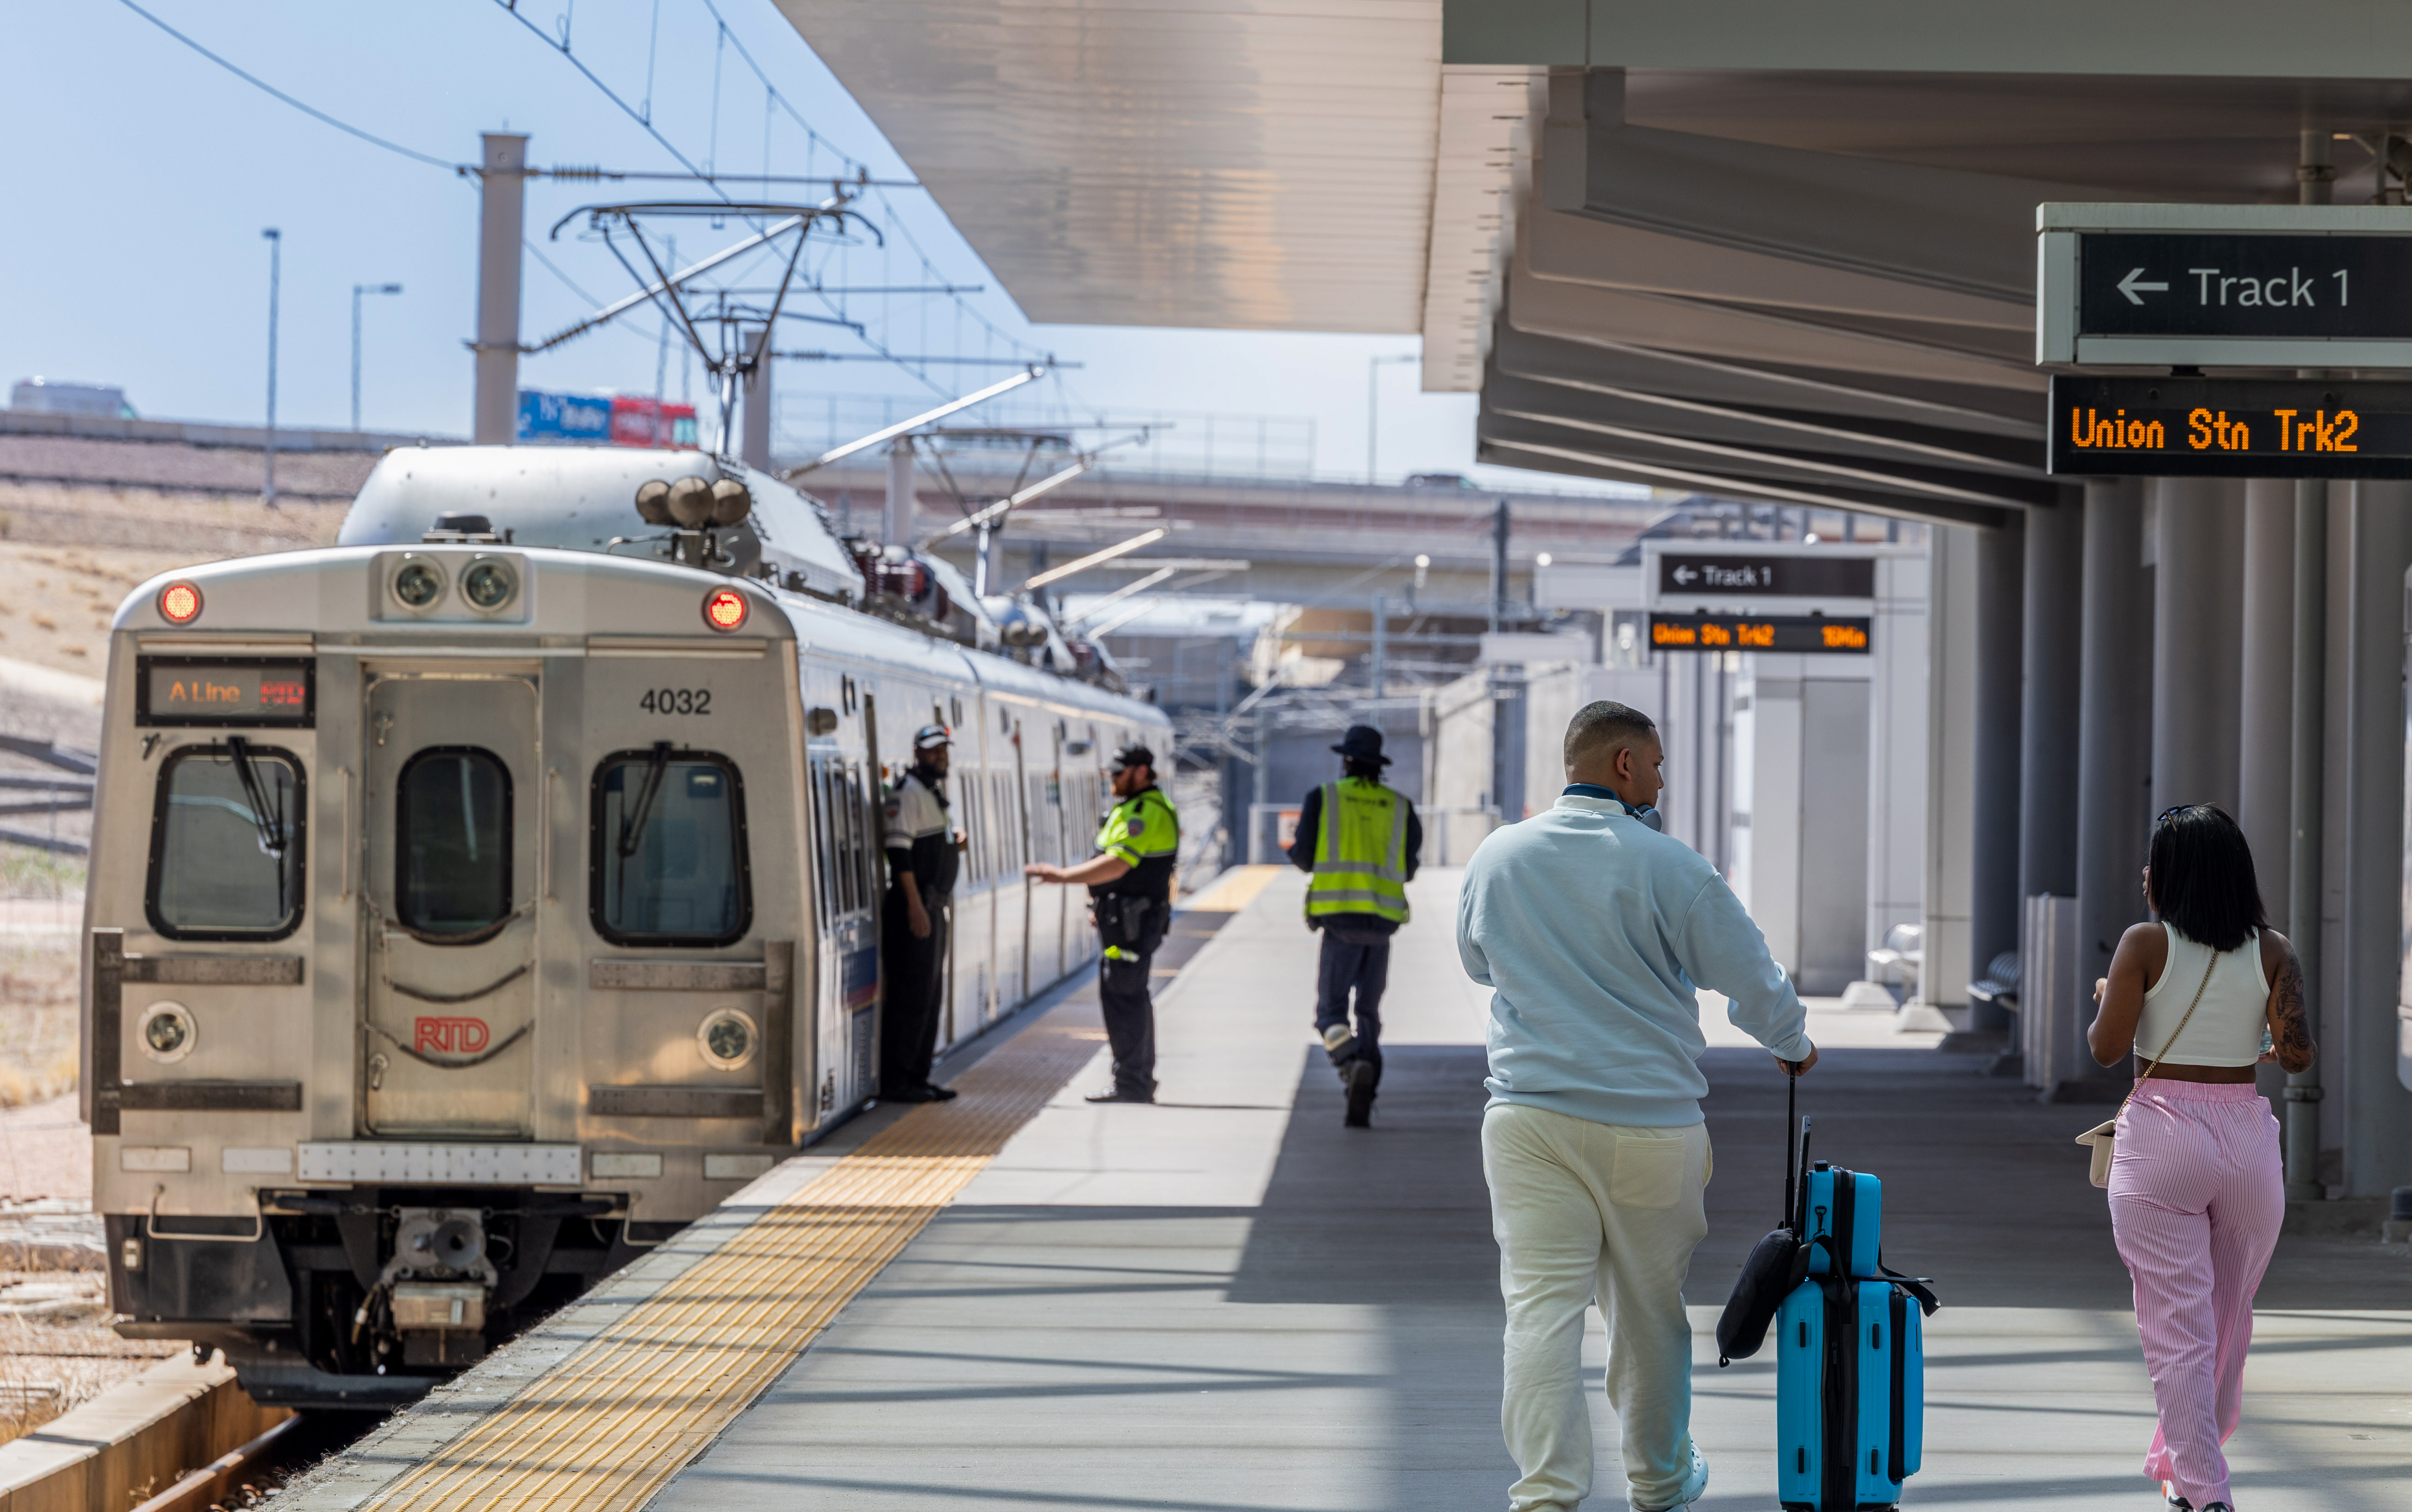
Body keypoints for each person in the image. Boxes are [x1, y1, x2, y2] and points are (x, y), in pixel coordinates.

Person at [1457, 700, 1816, 1512]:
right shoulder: (1672, 865)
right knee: (1649, 1314)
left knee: (1540, 1312)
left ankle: (1546, 1494)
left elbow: (1479, 963)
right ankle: (1658, 1482)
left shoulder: (1498, 856)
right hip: (1650, 1126)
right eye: (1656, 765)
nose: (1659, 781)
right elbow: (1750, 975)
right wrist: (1791, 1041)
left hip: (1528, 1120)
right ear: (1625, 764)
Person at [2085, 804, 2315, 1512]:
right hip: (2244, 1142)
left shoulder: (2144, 943)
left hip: (2161, 1142)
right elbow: (2299, 1056)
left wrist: (2109, 996)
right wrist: (2252, 1042)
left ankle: (2207, 1494)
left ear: (2167, 875)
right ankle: (2186, 1474)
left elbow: (2104, 1048)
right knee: (2224, 1322)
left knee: (2176, 1328)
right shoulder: (2272, 950)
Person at [1026, 744, 1180, 1104]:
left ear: (1142, 772)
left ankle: (1132, 1083)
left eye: (1119, 772)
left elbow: (1118, 865)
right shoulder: (1134, 809)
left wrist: (1061, 876)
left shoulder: (1145, 812)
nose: (1112, 778)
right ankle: (1134, 1079)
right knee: (1125, 994)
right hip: (1124, 919)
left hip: (1132, 923)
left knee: (1125, 997)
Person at [1287, 724, 1422, 1128]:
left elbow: (1304, 857)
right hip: (1382, 925)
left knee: (1330, 1013)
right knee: (1368, 1012)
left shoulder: (1324, 799)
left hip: (1339, 922)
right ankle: (1363, 1087)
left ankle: (1348, 1062)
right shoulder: (1401, 807)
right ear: (1377, 765)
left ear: (1346, 760)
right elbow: (1409, 868)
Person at [879, 724, 963, 1104]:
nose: (940, 756)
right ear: (917, 753)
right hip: (915, 908)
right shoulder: (906, 793)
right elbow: (899, 853)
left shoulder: (931, 793)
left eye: (944, 749)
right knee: (911, 995)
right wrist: (914, 905)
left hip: (933, 906)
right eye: (933, 751)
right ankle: (898, 1081)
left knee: (929, 996)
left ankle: (918, 1076)